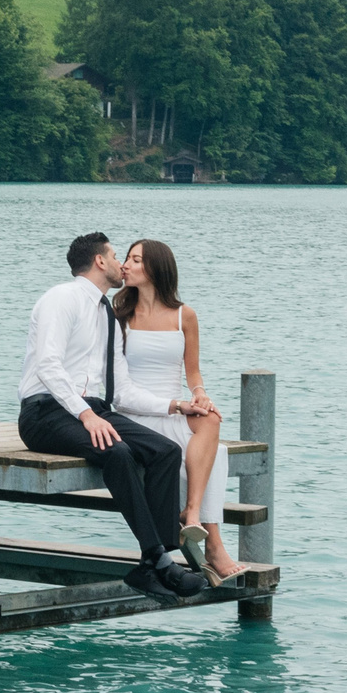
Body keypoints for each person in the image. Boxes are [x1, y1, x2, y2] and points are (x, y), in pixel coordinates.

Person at [17, 231, 209, 602]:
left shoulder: (107, 313)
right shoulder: (62, 298)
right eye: (117, 255)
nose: (123, 263)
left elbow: (120, 390)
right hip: (44, 412)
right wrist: (87, 415)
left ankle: (150, 565)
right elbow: (47, 366)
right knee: (118, 452)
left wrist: (175, 405)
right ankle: (161, 561)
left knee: (165, 450)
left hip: (92, 409)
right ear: (100, 261)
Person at [112, 239, 240, 582]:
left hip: (174, 408)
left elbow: (193, 372)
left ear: (155, 268)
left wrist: (200, 395)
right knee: (220, 454)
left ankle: (192, 512)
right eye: (125, 258)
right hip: (135, 413)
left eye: (135, 260)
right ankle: (214, 546)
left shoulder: (186, 315)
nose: (125, 265)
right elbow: (118, 387)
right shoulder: (119, 314)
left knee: (211, 419)